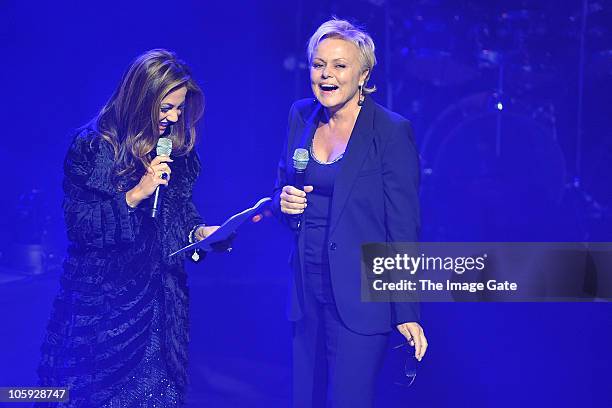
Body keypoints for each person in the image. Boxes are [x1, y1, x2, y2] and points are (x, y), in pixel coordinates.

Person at [36, 49, 223, 407]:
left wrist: (198, 233)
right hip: (105, 309)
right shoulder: (93, 147)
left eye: (179, 108)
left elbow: (180, 213)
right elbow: (80, 227)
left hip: (159, 305)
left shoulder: (175, 151)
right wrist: (136, 194)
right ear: (140, 99)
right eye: (165, 108)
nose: (172, 118)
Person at [272, 19, 428, 407]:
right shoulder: (299, 116)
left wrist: (406, 310)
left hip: (361, 296)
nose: (326, 75)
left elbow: (403, 227)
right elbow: (280, 188)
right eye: (318, 64)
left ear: (363, 74)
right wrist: (283, 202)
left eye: (340, 66)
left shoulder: (391, 131)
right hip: (306, 289)